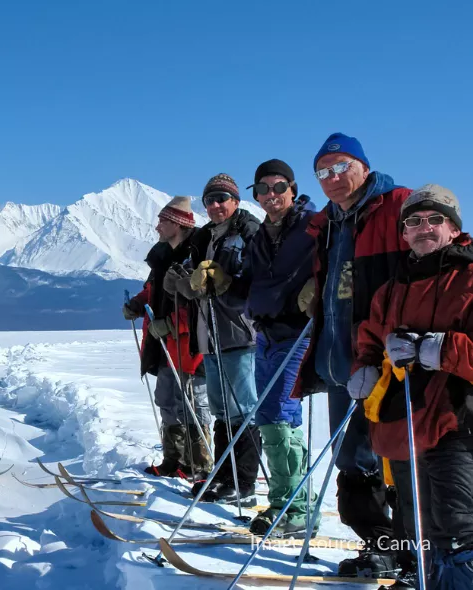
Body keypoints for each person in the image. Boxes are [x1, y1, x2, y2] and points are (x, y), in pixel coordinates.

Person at [349, 185, 473, 588]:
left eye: (435, 219)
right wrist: (365, 367)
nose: (424, 227)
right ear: (403, 233)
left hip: (457, 421)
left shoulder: (470, 280)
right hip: (403, 421)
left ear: (454, 229)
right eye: (414, 221)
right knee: (419, 523)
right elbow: (369, 336)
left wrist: (444, 349)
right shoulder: (392, 289)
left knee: (456, 524)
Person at [299, 133, 411, 578]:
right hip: (339, 361)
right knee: (352, 459)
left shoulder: (399, 205)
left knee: (396, 457)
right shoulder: (327, 222)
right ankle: (378, 544)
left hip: (388, 361)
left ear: (364, 166)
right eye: (323, 171)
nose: (332, 177)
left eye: (341, 166)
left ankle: (410, 550)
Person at [167, 173, 262, 506]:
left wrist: (226, 285)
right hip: (210, 333)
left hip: (240, 332)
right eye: (210, 200)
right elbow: (197, 278)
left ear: (235, 201)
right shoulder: (206, 236)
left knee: (242, 410)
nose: (216, 205)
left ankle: (245, 482)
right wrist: (186, 283)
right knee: (223, 410)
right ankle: (224, 474)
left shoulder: (249, 231)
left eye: (222, 198)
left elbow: (258, 281)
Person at [243, 159, 319, 536]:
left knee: (276, 414)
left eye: (278, 187)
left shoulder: (313, 226)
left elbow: (336, 262)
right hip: (266, 334)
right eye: (263, 189)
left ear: (292, 188)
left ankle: (292, 508)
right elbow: (250, 284)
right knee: (277, 418)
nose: (270, 196)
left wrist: (319, 288)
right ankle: (293, 502)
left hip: (298, 332)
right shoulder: (258, 238)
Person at [125, 196, 213, 479]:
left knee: (190, 402)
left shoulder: (198, 253)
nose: (157, 227)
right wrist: (138, 304)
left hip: (190, 344)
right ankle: (173, 460)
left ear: (178, 223)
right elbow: (152, 289)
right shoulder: (162, 256)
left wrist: (172, 325)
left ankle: (198, 464)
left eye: (163, 221)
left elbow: (198, 302)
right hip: (163, 343)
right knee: (167, 400)